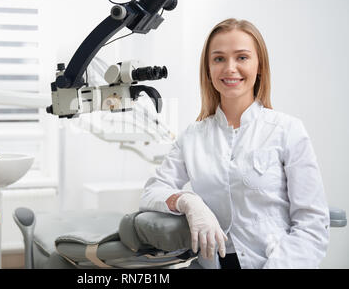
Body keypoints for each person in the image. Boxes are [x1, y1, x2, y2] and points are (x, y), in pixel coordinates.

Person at [139, 18, 330, 269]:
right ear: (208, 69)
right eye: (219, 59)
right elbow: (151, 192)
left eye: (242, 57)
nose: (230, 68)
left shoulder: (287, 130)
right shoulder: (193, 136)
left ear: (259, 66)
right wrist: (188, 202)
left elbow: (312, 226)